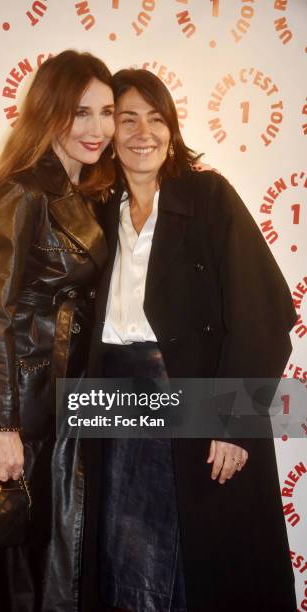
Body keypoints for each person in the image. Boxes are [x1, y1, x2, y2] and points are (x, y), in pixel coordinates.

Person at [87, 69, 298, 612]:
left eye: (156, 119)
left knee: (199, 575)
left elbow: (266, 309)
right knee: (118, 566)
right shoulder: (92, 215)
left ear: (173, 130)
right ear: (109, 132)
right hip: (111, 417)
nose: (142, 133)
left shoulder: (208, 197)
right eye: (127, 118)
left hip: (198, 412)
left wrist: (231, 421)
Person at [0, 50, 116, 612]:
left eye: (107, 112)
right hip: (23, 412)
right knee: (11, 568)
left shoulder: (89, 191)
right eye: (81, 112)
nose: (98, 129)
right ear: (50, 114)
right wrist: (0, 425)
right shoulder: (23, 192)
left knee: (51, 564)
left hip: (66, 405)